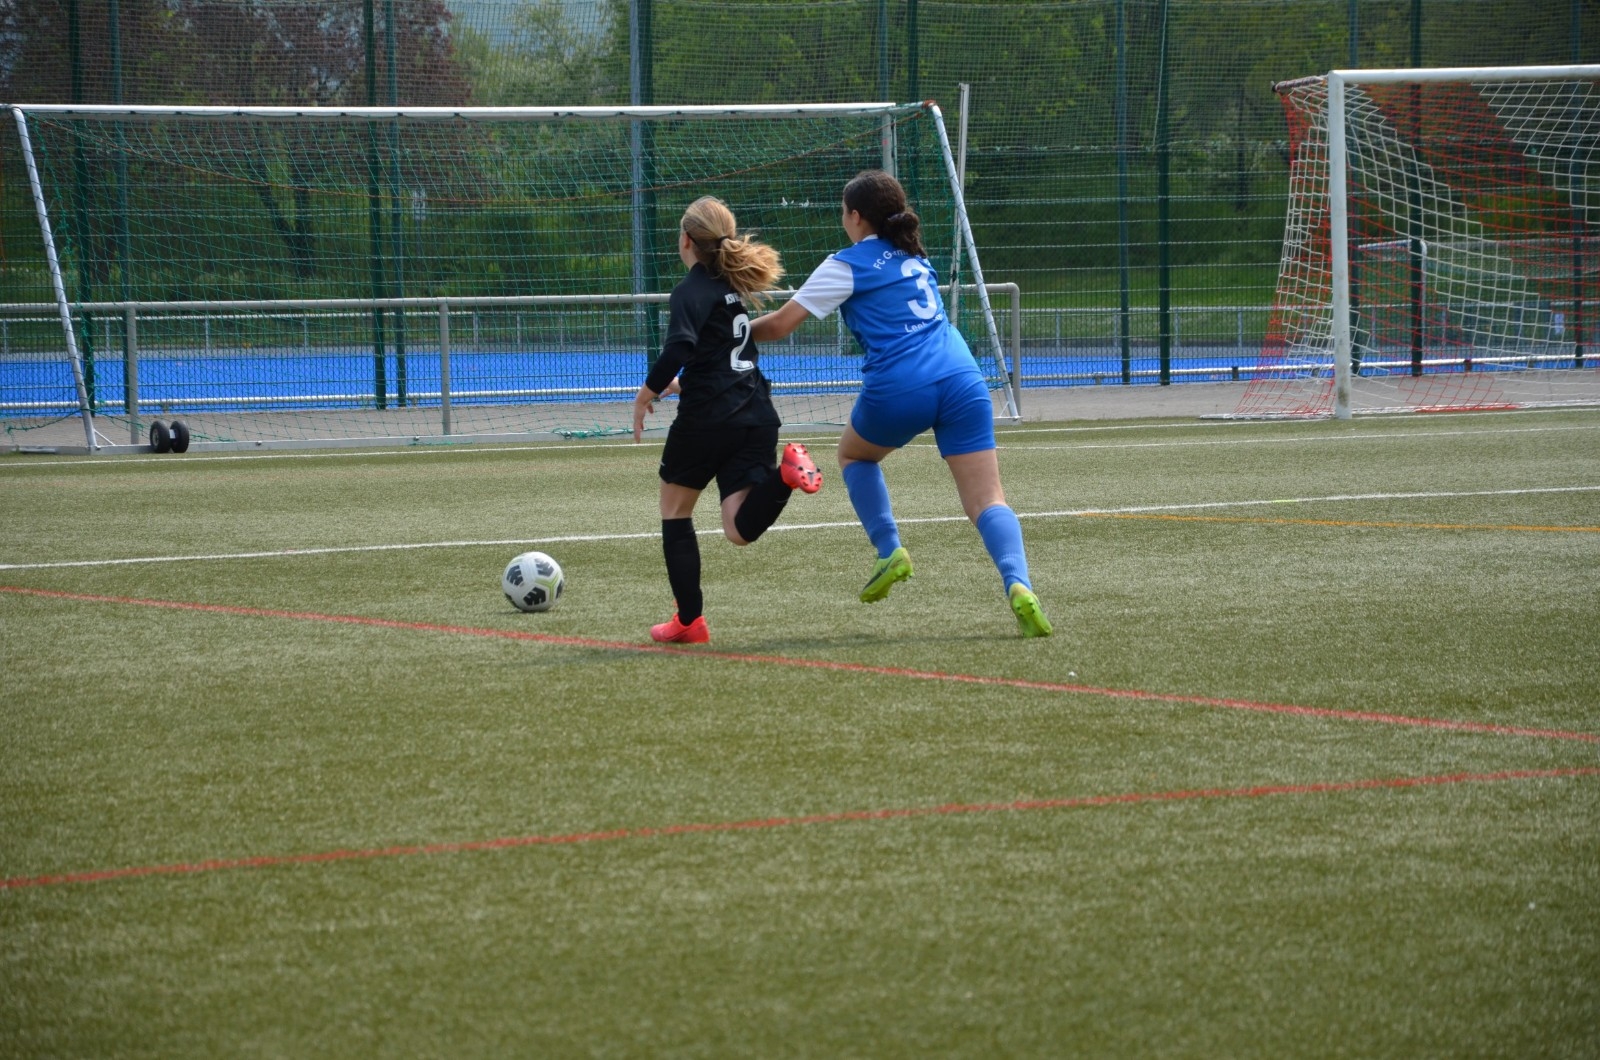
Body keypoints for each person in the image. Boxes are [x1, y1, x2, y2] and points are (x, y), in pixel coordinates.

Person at [749, 169, 1051, 637]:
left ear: (855, 216)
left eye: (843, 213)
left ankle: (889, 550)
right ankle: (1019, 584)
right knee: (989, 500)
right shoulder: (915, 255)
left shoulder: (846, 263)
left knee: (854, 455)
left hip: (902, 385)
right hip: (962, 378)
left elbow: (780, 325)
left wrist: (728, 333)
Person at [632, 195, 822, 645]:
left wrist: (646, 393)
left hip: (708, 420)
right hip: (756, 415)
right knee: (738, 529)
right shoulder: (732, 290)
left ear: (685, 240)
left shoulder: (690, 291)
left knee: (675, 511)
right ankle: (785, 476)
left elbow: (680, 347)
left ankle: (690, 621)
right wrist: (683, 384)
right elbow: (721, 357)